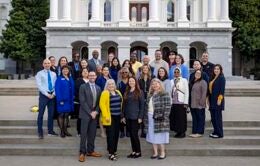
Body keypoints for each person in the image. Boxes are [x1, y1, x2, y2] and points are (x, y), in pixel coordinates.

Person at [144, 78, 171, 160]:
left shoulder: (164, 93)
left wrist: (164, 118)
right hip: (149, 117)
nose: (155, 85)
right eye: (153, 84)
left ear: (160, 84)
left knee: (160, 136)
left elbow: (168, 106)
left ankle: (162, 153)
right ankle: (155, 153)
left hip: (160, 118)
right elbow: (146, 107)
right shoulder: (150, 94)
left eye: (156, 83)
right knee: (152, 135)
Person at [78, 71, 102, 162]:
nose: (92, 76)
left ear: (96, 77)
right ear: (88, 76)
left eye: (94, 75)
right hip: (85, 114)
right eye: (90, 75)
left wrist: (96, 111)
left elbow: (99, 102)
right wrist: (90, 112)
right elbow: (82, 101)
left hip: (94, 115)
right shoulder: (83, 86)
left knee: (92, 134)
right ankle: (82, 153)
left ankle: (90, 151)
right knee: (83, 134)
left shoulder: (98, 88)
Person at [99, 79, 123, 161]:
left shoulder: (118, 92)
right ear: (107, 85)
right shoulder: (105, 93)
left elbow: (121, 103)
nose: (111, 85)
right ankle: (111, 153)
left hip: (118, 116)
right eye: (109, 84)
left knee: (116, 135)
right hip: (110, 117)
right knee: (111, 136)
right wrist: (106, 116)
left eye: (112, 84)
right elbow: (102, 105)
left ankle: (114, 151)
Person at [122, 76, 144, 158]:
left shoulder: (139, 92)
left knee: (134, 135)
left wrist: (140, 117)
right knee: (131, 135)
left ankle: (138, 152)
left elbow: (142, 105)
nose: (131, 82)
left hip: (136, 117)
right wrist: (123, 116)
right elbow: (124, 105)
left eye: (133, 81)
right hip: (128, 117)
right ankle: (134, 151)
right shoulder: (126, 92)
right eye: (130, 81)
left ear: (135, 82)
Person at [35, 59, 58, 139]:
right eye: (45, 63)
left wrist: (54, 94)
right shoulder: (39, 74)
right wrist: (47, 94)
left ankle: (50, 131)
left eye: (48, 63)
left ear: (50, 64)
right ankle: (40, 132)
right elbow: (39, 86)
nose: (47, 64)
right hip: (44, 96)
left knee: (51, 114)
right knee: (41, 114)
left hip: (52, 96)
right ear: (43, 64)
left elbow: (56, 85)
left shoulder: (54, 74)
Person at [55, 65, 74, 138]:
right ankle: (62, 131)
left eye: (67, 69)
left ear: (69, 71)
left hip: (69, 100)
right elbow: (57, 90)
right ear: (61, 70)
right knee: (61, 115)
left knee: (66, 115)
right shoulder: (59, 79)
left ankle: (66, 130)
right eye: (64, 69)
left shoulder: (70, 78)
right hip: (62, 100)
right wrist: (60, 100)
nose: (65, 71)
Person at [170, 67, 189, 138]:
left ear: (180, 72)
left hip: (181, 102)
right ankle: (177, 132)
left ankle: (182, 132)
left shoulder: (184, 80)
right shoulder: (171, 81)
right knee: (175, 118)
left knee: (181, 118)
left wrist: (186, 102)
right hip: (174, 102)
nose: (176, 73)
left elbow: (186, 92)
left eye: (178, 72)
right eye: (175, 72)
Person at [208, 64, 226, 138]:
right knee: (213, 118)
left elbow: (222, 90)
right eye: (215, 69)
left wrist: (219, 100)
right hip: (212, 101)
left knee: (217, 118)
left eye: (218, 69)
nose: (216, 70)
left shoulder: (222, 78)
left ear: (220, 70)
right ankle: (215, 131)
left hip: (218, 101)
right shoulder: (213, 77)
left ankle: (219, 134)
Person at [189, 70, 207, 138]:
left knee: (200, 118)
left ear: (201, 74)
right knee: (195, 118)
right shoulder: (192, 81)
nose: (197, 74)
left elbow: (204, 93)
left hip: (199, 104)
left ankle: (199, 132)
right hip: (193, 103)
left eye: (199, 73)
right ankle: (194, 132)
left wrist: (201, 103)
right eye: (196, 73)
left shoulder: (203, 82)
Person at [138, 64, 154, 137]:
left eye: (146, 68)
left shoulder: (152, 78)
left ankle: (149, 131)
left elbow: (154, 87)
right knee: (143, 114)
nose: (145, 69)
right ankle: (143, 132)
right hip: (141, 98)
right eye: (143, 68)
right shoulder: (139, 78)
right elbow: (138, 89)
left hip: (150, 98)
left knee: (149, 115)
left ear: (148, 69)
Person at [74, 68, 89, 136]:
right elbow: (77, 91)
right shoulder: (78, 80)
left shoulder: (91, 80)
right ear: (81, 73)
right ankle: (79, 132)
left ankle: (87, 131)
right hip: (80, 102)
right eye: (84, 71)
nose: (85, 72)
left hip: (89, 103)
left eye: (86, 71)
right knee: (80, 117)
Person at [117, 67, 131, 138]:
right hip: (121, 100)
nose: (125, 73)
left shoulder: (130, 81)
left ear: (128, 73)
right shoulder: (119, 82)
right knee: (121, 115)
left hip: (129, 101)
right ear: (121, 73)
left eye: (126, 72)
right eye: (123, 72)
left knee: (128, 115)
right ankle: (122, 131)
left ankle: (128, 131)